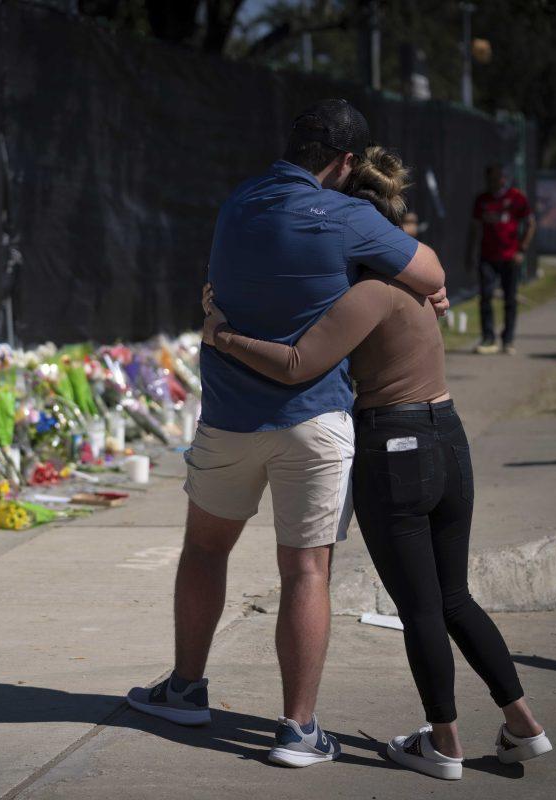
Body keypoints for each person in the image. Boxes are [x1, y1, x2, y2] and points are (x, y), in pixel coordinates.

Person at [200, 147, 552, 781]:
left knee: (418, 606)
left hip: (396, 446)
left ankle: (443, 744)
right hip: (447, 435)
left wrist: (220, 332)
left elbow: (295, 365)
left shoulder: (370, 293)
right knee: (453, 599)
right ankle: (524, 724)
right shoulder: (419, 287)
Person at [125, 100, 447, 769]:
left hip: (229, 416)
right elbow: (432, 276)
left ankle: (185, 688)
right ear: (347, 162)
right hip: (315, 420)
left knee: (204, 552)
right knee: (304, 571)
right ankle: (298, 730)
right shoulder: (350, 216)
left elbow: (227, 285)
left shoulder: (237, 203)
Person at [469, 163, 535, 355]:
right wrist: (469, 253)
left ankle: (508, 339)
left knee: (510, 298)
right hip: (487, 256)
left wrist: (522, 249)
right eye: (488, 179)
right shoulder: (481, 200)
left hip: (510, 257)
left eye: (496, 179)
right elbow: (474, 229)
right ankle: (488, 338)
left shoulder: (516, 198)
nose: (492, 183)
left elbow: (531, 224)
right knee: (486, 296)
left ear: (503, 179)